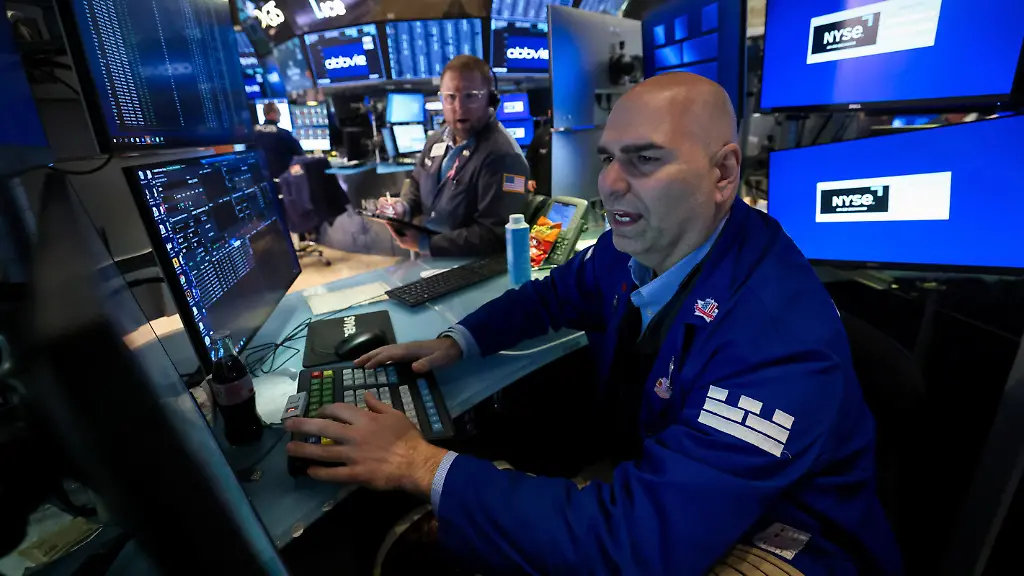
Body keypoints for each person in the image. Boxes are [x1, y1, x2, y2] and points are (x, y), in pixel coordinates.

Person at [285, 73, 902, 574]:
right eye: (608, 158)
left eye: (645, 159)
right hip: (678, 497)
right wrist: (456, 342)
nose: (609, 183)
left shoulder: (776, 336)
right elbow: (552, 296)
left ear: (722, 174)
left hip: (787, 539)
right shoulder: (639, 245)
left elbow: (637, 545)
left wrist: (418, 465)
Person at [376, 55, 529, 257]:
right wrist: (401, 208)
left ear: (490, 99)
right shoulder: (436, 140)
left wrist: (426, 244)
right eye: (450, 97)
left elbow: (495, 235)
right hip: (432, 259)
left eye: (470, 96)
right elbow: (417, 184)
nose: (459, 107)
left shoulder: (505, 157)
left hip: (472, 265)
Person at [253, 102, 304, 179]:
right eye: (278, 112)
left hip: (263, 178)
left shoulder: (254, 133)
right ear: (272, 113)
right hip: (282, 178)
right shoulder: (283, 133)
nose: (280, 115)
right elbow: (300, 154)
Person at [526, 110, 552, 197]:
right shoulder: (541, 134)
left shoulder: (572, 137)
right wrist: (530, 178)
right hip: (542, 188)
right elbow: (529, 159)